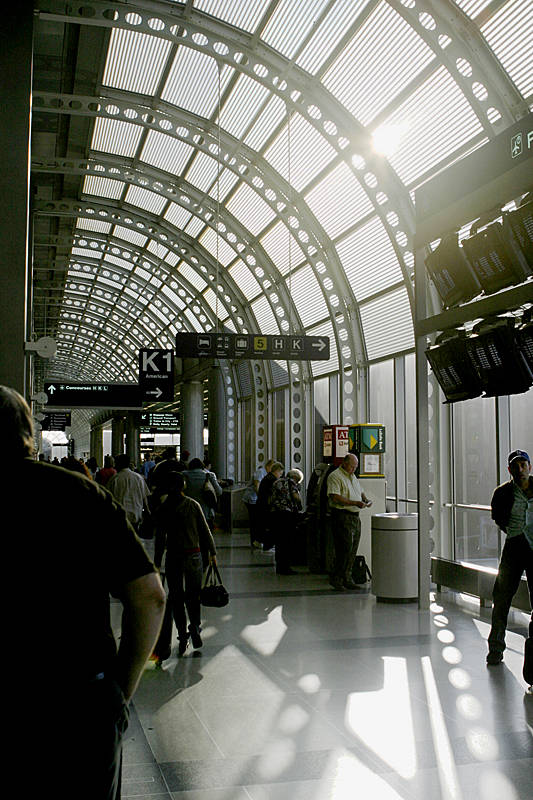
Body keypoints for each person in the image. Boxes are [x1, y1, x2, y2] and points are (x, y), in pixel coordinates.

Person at [0, 385, 166, 799]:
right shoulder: (81, 494)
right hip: (77, 704)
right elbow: (150, 596)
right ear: (29, 435)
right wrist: (118, 693)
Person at [154, 471, 217, 658]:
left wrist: (157, 563)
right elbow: (205, 531)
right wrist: (212, 552)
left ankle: (182, 635)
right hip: (194, 556)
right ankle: (196, 625)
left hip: (174, 557)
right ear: (183, 485)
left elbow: (159, 538)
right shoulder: (192, 505)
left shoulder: (164, 508)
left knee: (176, 597)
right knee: (193, 595)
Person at [486, 449, 533, 669]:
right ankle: (495, 649)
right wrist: (514, 531)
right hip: (514, 547)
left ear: (530, 467)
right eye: (516, 466)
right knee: (502, 598)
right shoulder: (503, 493)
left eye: (523, 464)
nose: (520, 469)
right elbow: (497, 516)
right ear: (509, 470)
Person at [327, 453, 372, 591]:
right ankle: (337, 578)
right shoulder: (335, 476)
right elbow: (335, 497)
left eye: (356, 467)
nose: (354, 469)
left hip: (354, 516)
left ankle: (347, 577)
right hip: (342, 515)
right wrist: (354, 503)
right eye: (352, 466)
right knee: (344, 548)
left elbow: (360, 492)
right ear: (345, 463)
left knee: (353, 548)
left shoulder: (352, 477)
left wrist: (365, 500)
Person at [269, 468, 304, 574]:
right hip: (286, 514)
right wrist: (300, 504)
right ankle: (286, 567)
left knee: (279, 541)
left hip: (275, 514)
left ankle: (279, 565)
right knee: (287, 540)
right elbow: (295, 496)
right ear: (296, 478)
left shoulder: (277, 482)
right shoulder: (291, 483)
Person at [107, 453, 151, 531]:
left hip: (119, 516)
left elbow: (109, 498)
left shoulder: (114, 479)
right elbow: (144, 497)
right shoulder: (138, 478)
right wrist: (147, 511)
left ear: (118, 464)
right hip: (136, 515)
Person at [183, 457, 223, 533]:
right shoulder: (209, 475)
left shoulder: (184, 475)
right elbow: (219, 491)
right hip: (206, 511)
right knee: (205, 535)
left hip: (187, 510)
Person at [242, 458, 273, 548]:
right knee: (254, 519)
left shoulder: (265, 473)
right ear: (268, 466)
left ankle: (256, 540)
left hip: (254, 499)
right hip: (252, 499)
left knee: (256, 520)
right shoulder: (261, 472)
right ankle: (255, 540)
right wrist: (261, 498)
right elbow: (256, 485)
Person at [256, 461, 284, 551]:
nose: (280, 475)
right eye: (280, 473)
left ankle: (264, 543)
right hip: (267, 506)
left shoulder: (267, 478)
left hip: (262, 505)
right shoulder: (272, 480)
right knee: (269, 526)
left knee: (264, 525)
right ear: (277, 471)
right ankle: (268, 545)